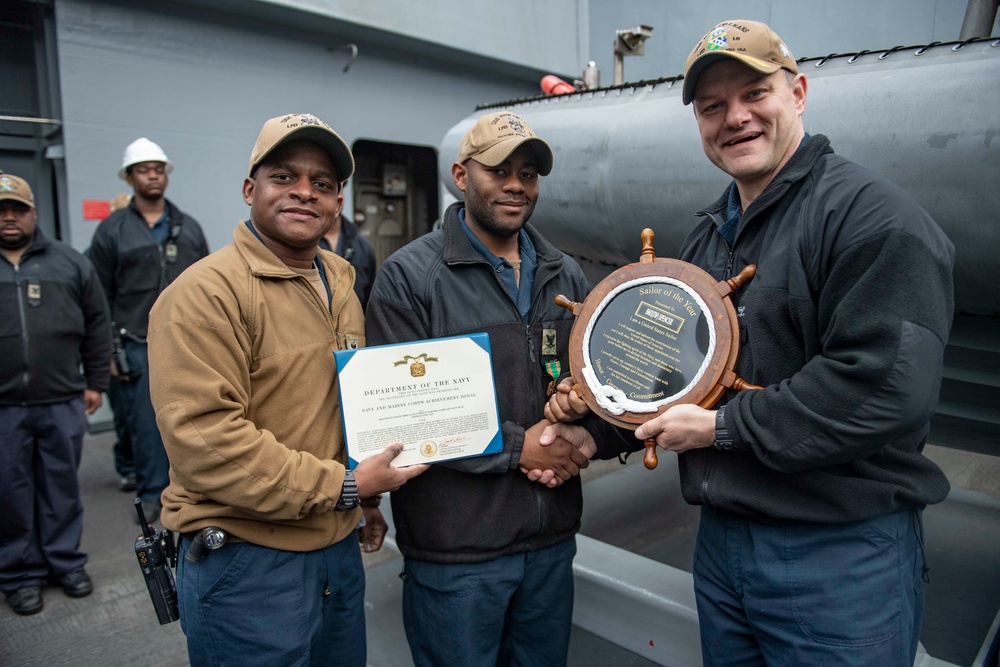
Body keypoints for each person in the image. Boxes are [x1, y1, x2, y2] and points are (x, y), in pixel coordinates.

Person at [552, 20, 953, 666]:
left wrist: (721, 430)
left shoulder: (872, 220)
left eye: (753, 95)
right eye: (713, 107)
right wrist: (592, 435)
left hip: (836, 555)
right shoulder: (713, 237)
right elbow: (680, 376)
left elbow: (883, 389)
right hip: (723, 546)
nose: (734, 117)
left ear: (797, 93)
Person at [146, 113, 426, 666]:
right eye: (284, 177)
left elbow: (342, 402)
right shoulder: (204, 296)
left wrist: (363, 500)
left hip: (334, 547)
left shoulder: (339, 280)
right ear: (251, 189)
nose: (305, 192)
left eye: (322, 183)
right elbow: (208, 443)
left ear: (339, 202)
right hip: (248, 562)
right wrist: (345, 485)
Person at [366, 111, 626, 666]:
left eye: (529, 173)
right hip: (458, 555)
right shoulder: (411, 278)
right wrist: (520, 448)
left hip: (550, 540)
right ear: (461, 176)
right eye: (499, 170)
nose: (516, 185)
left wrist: (580, 423)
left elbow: (588, 380)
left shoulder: (564, 274)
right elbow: (407, 419)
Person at [0, 172, 111, 615]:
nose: (9, 218)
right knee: (9, 491)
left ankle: (65, 562)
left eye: (17, 209)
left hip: (62, 399)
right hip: (4, 406)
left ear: (33, 213)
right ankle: (19, 573)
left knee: (61, 488)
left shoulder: (69, 263)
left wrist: (95, 382)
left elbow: (97, 324)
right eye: (1, 211)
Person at [89, 138, 209, 522]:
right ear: (130, 178)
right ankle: (152, 493)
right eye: (144, 170)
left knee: (197, 415)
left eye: (158, 169)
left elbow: (210, 285)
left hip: (187, 342)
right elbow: (99, 294)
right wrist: (108, 349)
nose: (153, 175)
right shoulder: (112, 231)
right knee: (145, 425)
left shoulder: (187, 227)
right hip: (136, 343)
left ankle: (196, 484)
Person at [319, 212, 376, 310]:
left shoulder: (362, 245)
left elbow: (371, 294)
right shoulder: (306, 244)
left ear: (340, 201)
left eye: (338, 196)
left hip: (356, 320)